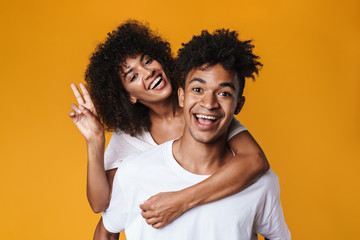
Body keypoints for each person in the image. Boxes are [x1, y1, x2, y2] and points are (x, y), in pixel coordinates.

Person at [69, 20, 269, 238]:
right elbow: (101, 204)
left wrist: (182, 200)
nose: (148, 73)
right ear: (129, 96)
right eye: (133, 76)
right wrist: (95, 139)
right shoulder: (129, 137)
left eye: (148, 61)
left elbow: (255, 160)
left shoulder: (203, 110)